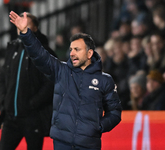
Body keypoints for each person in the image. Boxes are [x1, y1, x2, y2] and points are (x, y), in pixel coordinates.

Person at [9, 11, 122, 150]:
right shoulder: (61, 71)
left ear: (89, 53)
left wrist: (99, 126)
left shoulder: (105, 80)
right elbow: (39, 54)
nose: (72, 53)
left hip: (89, 144)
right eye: (71, 49)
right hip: (62, 143)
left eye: (77, 49)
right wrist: (26, 33)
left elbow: (115, 112)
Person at [0, 12, 56, 150]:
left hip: (33, 117)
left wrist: (33, 103)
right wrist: (5, 100)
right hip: (11, 117)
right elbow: (2, 77)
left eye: (26, 25)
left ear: (35, 28)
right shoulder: (13, 49)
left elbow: (51, 82)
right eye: (19, 25)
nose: (22, 28)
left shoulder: (44, 52)